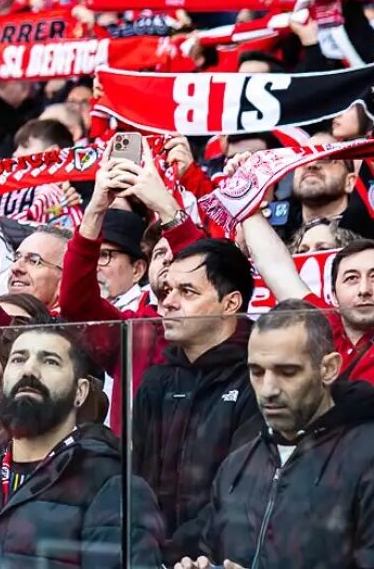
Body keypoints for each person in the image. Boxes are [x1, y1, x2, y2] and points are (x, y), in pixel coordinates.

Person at [173, 301, 374, 568]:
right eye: (257, 372)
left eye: (287, 372)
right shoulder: (238, 464)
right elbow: (214, 551)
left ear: (329, 368)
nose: (268, 389)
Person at [0, 325, 163, 568]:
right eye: (18, 359)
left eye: (50, 361)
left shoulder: (113, 485)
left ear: (79, 392)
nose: (29, 370)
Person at [134, 239, 260, 561]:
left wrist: (175, 554)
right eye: (166, 291)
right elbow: (138, 483)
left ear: (230, 303)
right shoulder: (156, 381)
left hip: (225, 558)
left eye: (187, 292)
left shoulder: (259, 377)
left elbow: (242, 493)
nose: (168, 303)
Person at [244, 218, 374, 386]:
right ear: (334, 295)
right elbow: (275, 266)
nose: (364, 289)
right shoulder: (323, 325)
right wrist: (248, 209)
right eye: (351, 278)